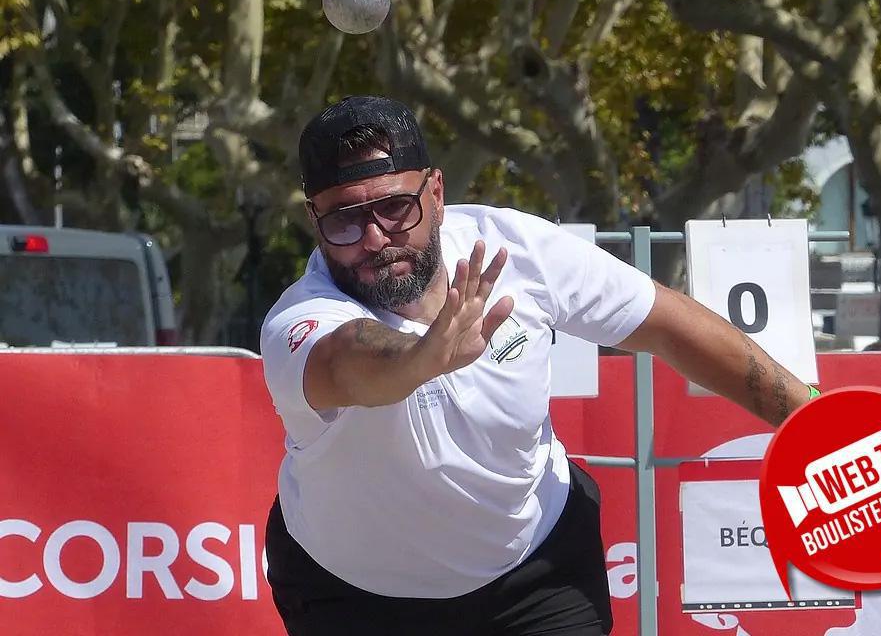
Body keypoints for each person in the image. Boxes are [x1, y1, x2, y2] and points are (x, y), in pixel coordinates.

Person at [259, 95, 815, 636]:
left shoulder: (514, 248)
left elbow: (671, 326)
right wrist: (420, 357)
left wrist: (818, 423)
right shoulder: (302, 320)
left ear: (436, 191)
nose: (376, 237)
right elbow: (348, 362)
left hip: (534, 572)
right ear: (314, 220)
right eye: (344, 220)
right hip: (355, 598)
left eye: (394, 207)